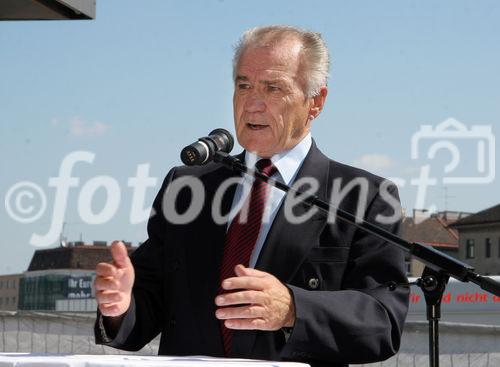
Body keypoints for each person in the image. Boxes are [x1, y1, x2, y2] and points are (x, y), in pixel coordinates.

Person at [94, 25, 409, 367]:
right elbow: (151, 304)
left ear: (315, 101)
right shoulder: (186, 188)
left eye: (273, 88)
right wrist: (121, 304)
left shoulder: (364, 197)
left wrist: (293, 309)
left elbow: (382, 321)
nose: (252, 104)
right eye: (244, 85)